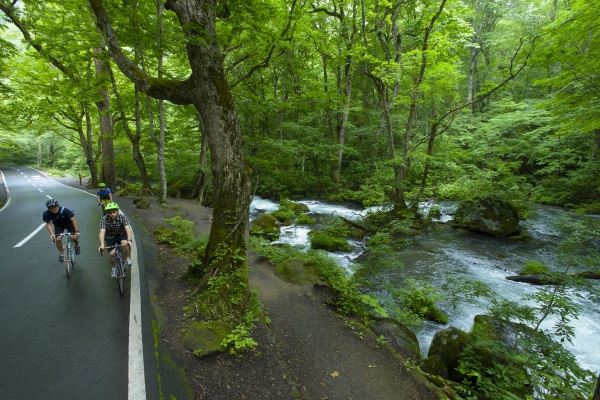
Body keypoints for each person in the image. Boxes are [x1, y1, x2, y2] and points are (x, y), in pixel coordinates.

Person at [98, 201, 133, 278]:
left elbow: (127, 229)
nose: (112, 214)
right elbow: (102, 232)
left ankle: (127, 258)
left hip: (121, 234)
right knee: (111, 254)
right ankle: (114, 268)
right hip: (110, 237)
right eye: (110, 213)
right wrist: (102, 244)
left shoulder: (122, 217)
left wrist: (129, 240)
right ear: (107, 213)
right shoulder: (104, 219)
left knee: (124, 243)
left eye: (113, 212)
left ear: (117, 211)